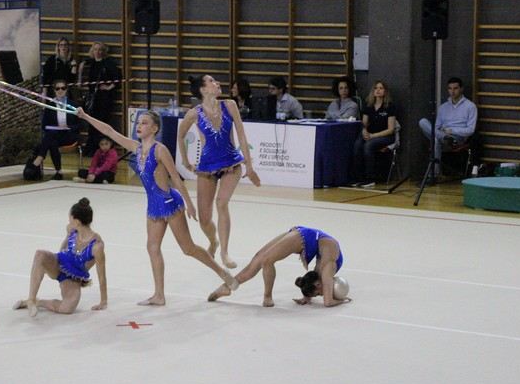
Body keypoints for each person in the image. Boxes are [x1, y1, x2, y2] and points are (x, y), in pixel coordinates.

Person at [77, 107, 238, 306]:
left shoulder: (160, 150)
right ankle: (159, 295)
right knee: (152, 247)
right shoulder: (136, 148)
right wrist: (85, 116)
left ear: (154, 128)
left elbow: (176, 179)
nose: (139, 126)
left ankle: (224, 274)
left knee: (188, 248)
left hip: (169, 203)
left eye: (144, 123)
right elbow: (110, 131)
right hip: (153, 205)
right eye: (138, 123)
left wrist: (189, 204)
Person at [178, 74, 261, 269]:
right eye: (212, 82)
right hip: (207, 168)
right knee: (204, 218)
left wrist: (249, 165)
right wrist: (184, 159)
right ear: (203, 89)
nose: (217, 84)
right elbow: (181, 135)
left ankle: (224, 251)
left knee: (221, 203)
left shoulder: (229, 105)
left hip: (231, 163)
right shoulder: (194, 113)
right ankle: (213, 241)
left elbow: (241, 134)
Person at [207, 226, 349, 308]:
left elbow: (313, 279)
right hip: (303, 237)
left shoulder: (322, 273)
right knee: (266, 260)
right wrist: (342, 300)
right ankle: (267, 297)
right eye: (318, 293)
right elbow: (328, 302)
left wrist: (306, 296)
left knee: (259, 258)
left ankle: (227, 287)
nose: (321, 294)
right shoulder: (328, 268)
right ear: (318, 284)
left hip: (304, 234)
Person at [12, 198, 107, 316]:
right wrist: (67, 237)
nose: (68, 221)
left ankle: (38, 302)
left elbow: (101, 276)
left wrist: (103, 301)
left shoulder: (97, 246)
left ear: (77, 221)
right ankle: (31, 299)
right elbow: (62, 250)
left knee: (67, 308)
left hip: (73, 278)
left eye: (70, 218)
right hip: (58, 264)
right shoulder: (71, 229)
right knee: (40, 254)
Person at [24, 78, 80, 181]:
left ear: (66, 89)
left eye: (63, 88)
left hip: (69, 135)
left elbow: (80, 124)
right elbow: (44, 125)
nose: (60, 91)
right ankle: (58, 171)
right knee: (52, 140)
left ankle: (40, 157)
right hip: (55, 135)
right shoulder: (49, 106)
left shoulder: (74, 105)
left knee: (49, 138)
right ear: (54, 90)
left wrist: (70, 128)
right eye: (57, 88)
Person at [419, 77, 478, 164]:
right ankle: (445, 138)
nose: (452, 91)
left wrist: (451, 131)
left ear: (461, 89)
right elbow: (436, 127)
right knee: (423, 122)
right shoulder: (443, 107)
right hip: (442, 135)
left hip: (457, 138)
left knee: (436, 140)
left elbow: (470, 130)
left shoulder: (470, 106)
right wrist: (442, 131)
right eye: (450, 88)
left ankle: (436, 174)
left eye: (455, 88)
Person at [79, 42, 122, 155]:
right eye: (96, 49)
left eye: (100, 50)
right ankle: (91, 149)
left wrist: (108, 88)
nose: (98, 52)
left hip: (104, 99)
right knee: (92, 124)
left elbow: (117, 78)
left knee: (101, 123)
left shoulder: (108, 63)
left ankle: (101, 148)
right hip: (93, 99)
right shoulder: (90, 63)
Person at [351, 80, 397, 188]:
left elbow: (390, 129)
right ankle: (358, 177)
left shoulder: (390, 107)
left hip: (385, 136)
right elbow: (364, 123)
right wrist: (364, 131)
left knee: (368, 145)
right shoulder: (369, 107)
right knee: (358, 144)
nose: (378, 90)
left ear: (385, 91)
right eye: (376, 88)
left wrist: (373, 136)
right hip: (370, 134)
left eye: (381, 88)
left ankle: (370, 178)